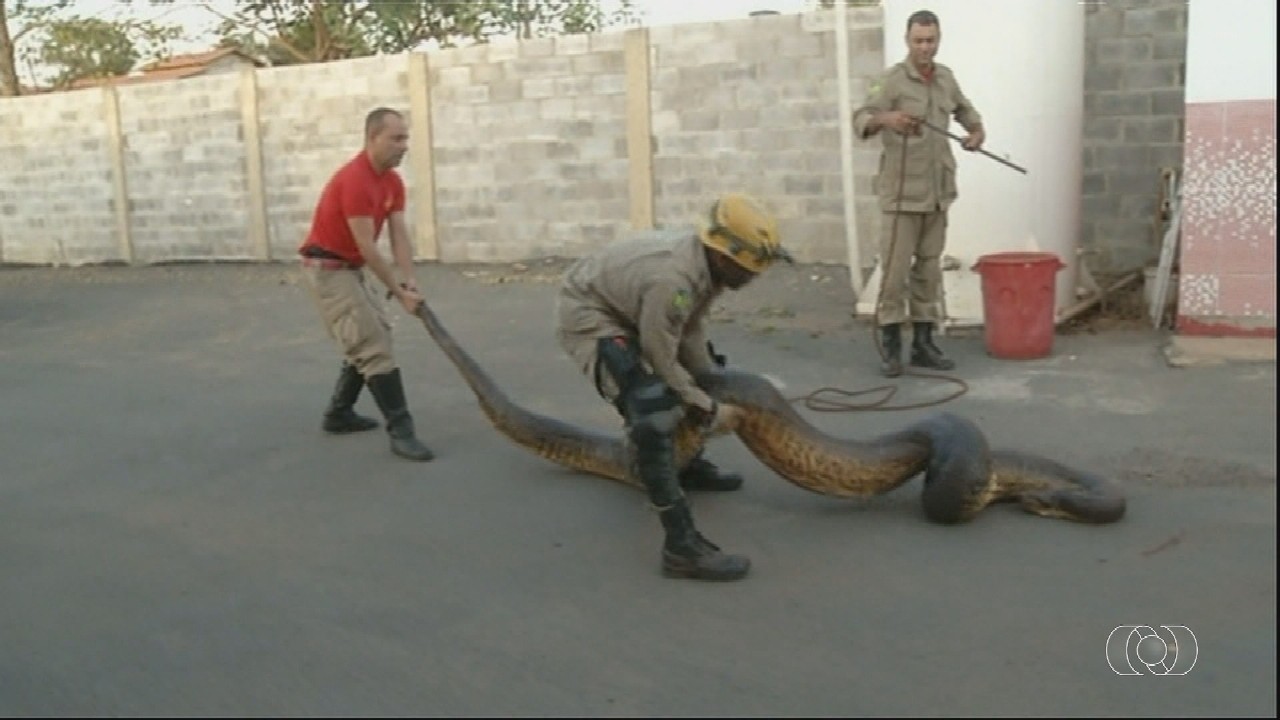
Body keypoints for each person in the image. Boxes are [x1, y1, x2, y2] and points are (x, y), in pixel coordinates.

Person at [555, 193, 792, 582]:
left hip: (635, 308)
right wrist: (710, 409)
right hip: (592, 315)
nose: (753, 278)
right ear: (723, 255)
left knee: (703, 378)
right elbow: (660, 353)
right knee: (653, 408)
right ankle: (681, 547)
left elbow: (690, 328)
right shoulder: (673, 279)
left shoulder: (707, 267)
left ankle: (687, 466)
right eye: (749, 270)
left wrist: (709, 382)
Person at [851, 9, 985, 377]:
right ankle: (892, 347)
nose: (925, 47)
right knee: (895, 274)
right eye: (918, 41)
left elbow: (966, 111)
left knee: (929, 271)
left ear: (938, 40)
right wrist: (886, 119)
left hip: (937, 193)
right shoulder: (891, 81)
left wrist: (976, 132)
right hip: (900, 196)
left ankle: (924, 344)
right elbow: (861, 118)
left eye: (931, 40)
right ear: (908, 41)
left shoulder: (945, 79)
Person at [297, 106, 435, 462]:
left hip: (350, 267)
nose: (404, 146)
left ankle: (338, 413)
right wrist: (400, 293)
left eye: (406, 138)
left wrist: (408, 279)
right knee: (373, 345)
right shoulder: (355, 179)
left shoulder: (392, 181)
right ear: (373, 138)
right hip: (327, 269)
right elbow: (367, 246)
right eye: (397, 138)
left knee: (374, 334)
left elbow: (398, 233)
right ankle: (402, 432)